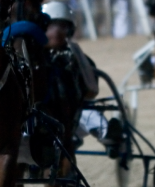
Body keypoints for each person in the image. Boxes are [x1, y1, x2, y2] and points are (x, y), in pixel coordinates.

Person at [41, 0, 123, 158]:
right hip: (43, 118)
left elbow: (91, 90)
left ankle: (108, 136)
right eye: (51, 26)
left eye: (62, 26)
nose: (56, 31)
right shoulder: (34, 57)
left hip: (74, 116)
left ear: (70, 30)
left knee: (88, 112)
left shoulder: (77, 58)